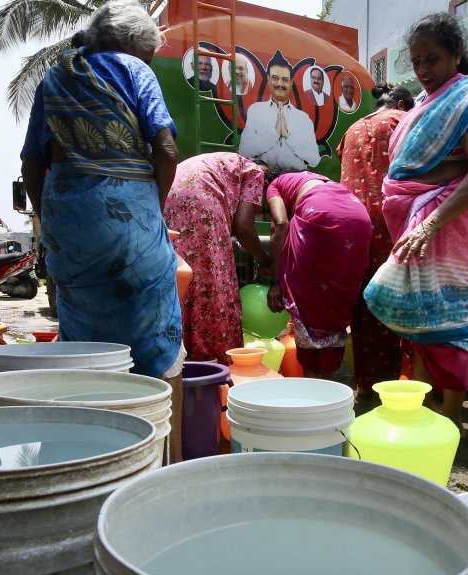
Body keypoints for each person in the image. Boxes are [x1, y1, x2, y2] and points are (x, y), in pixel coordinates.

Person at [20, 1, 185, 460]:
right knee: (158, 341)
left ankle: (89, 459)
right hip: (128, 218)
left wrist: (49, 222)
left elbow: (31, 162)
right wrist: (151, 208)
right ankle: (166, 461)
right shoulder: (132, 69)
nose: (149, 61)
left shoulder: (55, 78)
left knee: (84, 345)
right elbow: (166, 149)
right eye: (149, 54)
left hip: (68, 226)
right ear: (134, 45)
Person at [363, 12, 468, 426]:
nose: (423, 70)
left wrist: (431, 223)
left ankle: (452, 421)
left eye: (432, 60)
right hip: (423, 213)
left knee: (449, 317)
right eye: (417, 61)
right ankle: (425, 412)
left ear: (456, 54)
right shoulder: (425, 102)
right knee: (420, 315)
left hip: (453, 218)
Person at [339, 86, 416, 404]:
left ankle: (365, 388)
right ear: (402, 104)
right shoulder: (404, 121)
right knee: (393, 307)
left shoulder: (352, 129)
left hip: (351, 227)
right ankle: (392, 391)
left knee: (363, 309)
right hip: (390, 227)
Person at [164, 153, 270, 362]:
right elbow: (244, 227)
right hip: (201, 204)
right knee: (213, 281)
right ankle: (214, 358)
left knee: (182, 280)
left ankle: (179, 356)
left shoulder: (220, 163)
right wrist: (265, 260)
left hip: (169, 202)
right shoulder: (256, 171)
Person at [265, 169, 373, 377]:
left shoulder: (274, 185)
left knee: (308, 299)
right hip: (359, 216)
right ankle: (329, 378)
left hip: (320, 214)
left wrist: (276, 281)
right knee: (336, 300)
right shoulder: (315, 178)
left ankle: (313, 381)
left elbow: (280, 225)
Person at [238, 51, 321, 169]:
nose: (280, 84)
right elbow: (243, 151)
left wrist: (288, 135)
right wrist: (274, 134)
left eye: (285, 79)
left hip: (294, 177)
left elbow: (314, 160)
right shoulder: (256, 111)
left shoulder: (303, 118)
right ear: (268, 79)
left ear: (291, 82)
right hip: (264, 176)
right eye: (275, 78)